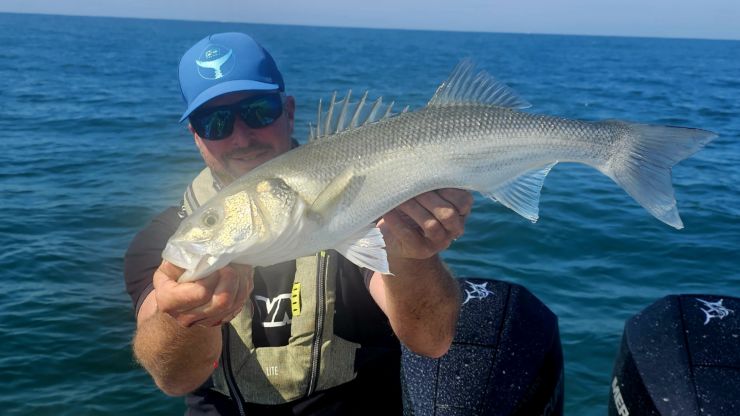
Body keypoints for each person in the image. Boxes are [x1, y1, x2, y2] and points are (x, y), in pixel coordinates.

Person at [125, 32, 472, 415]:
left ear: (288, 111)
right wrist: (186, 317)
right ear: (196, 137)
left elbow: (433, 340)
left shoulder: (367, 207)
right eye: (215, 121)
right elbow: (174, 379)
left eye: (258, 110)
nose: (241, 137)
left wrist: (411, 257)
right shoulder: (169, 238)